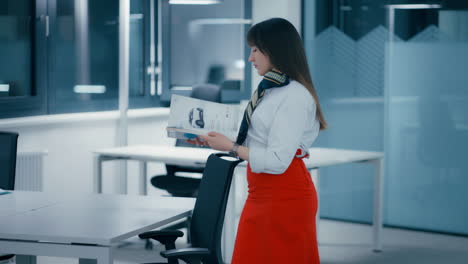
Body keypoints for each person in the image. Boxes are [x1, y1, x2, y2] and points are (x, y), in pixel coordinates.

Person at [189, 17, 327, 263]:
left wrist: (231, 147)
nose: (250, 58)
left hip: (284, 196)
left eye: (255, 50)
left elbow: (276, 161)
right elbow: (260, 140)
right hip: (262, 192)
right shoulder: (271, 89)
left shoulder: (294, 96)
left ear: (274, 49)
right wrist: (218, 140)